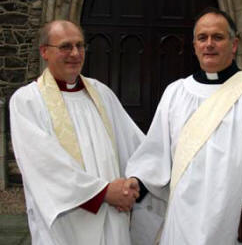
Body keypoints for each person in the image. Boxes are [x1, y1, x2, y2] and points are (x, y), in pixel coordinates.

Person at [125, 7, 242, 245]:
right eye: (202, 38)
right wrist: (136, 185)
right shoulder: (176, 93)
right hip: (183, 222)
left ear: (234, 45)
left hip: (236, 221)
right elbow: (156, 154)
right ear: (194, 46)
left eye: (217, 37)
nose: (209, 44)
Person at [10, 20, 144, 245]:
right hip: (65, 228)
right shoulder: (27, 101)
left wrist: (132, 185)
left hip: (113, 220)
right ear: (44, 51)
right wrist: (104, 193)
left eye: (80, 46)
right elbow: (45, 166)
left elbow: (134, 145)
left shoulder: (102, 93)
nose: (75, 53)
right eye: (65, 46)